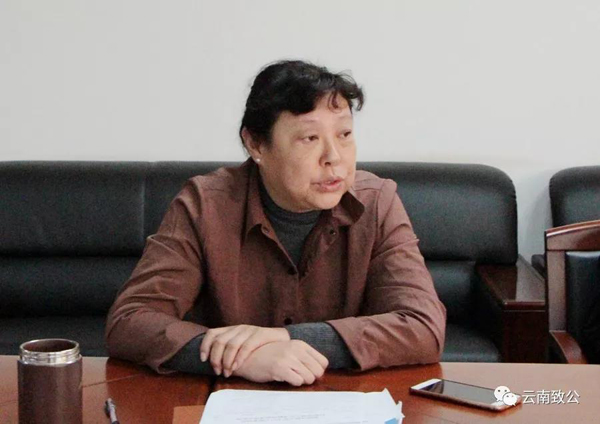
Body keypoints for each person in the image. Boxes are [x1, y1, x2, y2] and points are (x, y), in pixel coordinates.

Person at [105, 60, 446, 386]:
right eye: (309, 138)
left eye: (344, 134)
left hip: (345, 400)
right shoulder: (205, 205)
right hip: (228, 400)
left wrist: (285, 339)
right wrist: (241, 359)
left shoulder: (377, 202)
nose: (334, 157)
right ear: (255, 144)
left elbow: (423, 326)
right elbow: (129, 321)